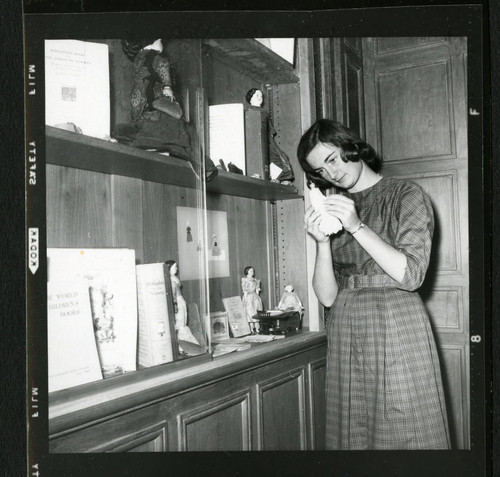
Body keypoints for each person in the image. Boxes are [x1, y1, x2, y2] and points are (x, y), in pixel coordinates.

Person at [297, 119, 450, 450]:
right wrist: (322, 242)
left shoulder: (405, 195)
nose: (331, 174)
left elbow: (410, 275)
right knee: (352, 433)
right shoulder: (334, 207)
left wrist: (355, 226)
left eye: (332, 159)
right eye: (320, 170)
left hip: (393, 321)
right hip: (346, 326)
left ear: (350, 147)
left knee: (405, 431)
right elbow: (326, 296)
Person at [245, 88, 294, 183]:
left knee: (279, 157)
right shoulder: (249, 111)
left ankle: (277, 178)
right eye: (257, 95)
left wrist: (271, 141)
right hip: (255, 141)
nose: (260, 98)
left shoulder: (264, 112)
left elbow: (270, 130)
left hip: (267, 140)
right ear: (250, 99)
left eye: (261, 96)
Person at [165, 260, 199, 346]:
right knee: (180, 324)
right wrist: (175, 305)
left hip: (180, 302)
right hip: (178, 303)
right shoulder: (172, 280)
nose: (176, 268)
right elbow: (173, 295)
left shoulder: (174, 279)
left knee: (182, 322)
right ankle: (183, 345)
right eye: (174, 267)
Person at [241, 266, 263, 332]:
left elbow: (257, 289)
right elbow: (245, 290)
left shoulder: (255, 280)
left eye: (252, 271)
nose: (252, 272)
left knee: (256, 311)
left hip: (255, 297)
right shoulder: (245, 280)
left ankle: (257, 328)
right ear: (247, 272)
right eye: (250, 271)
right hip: (248, 297)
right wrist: (245, 299)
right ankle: (251, 329)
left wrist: (257, 295)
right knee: (250, 312)